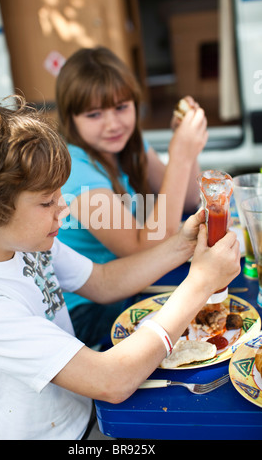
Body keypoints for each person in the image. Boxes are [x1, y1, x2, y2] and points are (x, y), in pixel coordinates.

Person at [0, 96, 240, 440]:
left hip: (89, 415)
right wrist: (200, 283)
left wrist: (180, 246)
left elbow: (103, 281)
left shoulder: (21, 244)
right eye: (47, 201)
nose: (63, 208)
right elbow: (112, 380)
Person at [55, 46, 209, 345]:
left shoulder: (129, 146)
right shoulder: (75, 172)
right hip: (90, 311)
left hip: (137, 283)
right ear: (71, 119)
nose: (113, 124)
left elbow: (188, 201)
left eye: (121, 107)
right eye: (94, 114)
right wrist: (179, 156)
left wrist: (187, 151)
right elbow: (143, 250)